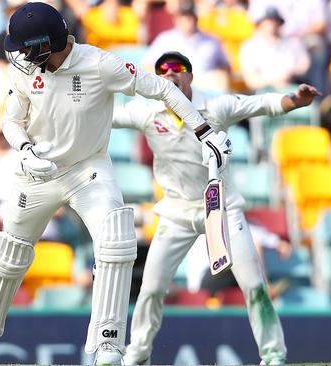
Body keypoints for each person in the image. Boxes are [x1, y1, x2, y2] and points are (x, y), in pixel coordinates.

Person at [0, 3, 232, 365]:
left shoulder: (100, 64)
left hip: (88, 169)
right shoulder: (25, 71)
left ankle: (108, 342)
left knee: (117, 239)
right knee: (11, 248)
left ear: (46, 44)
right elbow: (11, 121)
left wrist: (204, 130)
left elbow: (164, 91)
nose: (20, 56)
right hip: (39, 169)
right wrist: (25, 150)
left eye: (27, 48)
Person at [112, 51, 320, 365]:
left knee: (254, 286)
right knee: (152, 289)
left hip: (221, 209)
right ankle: (137, 355)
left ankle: (273, 355)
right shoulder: (147, 111)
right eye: (162, 71)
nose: (170, 74)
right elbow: (102, 117)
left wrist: (294, 100)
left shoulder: (215, 105)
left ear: (190, 76)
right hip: (177, 213)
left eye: (177, 69)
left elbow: (259, 104)